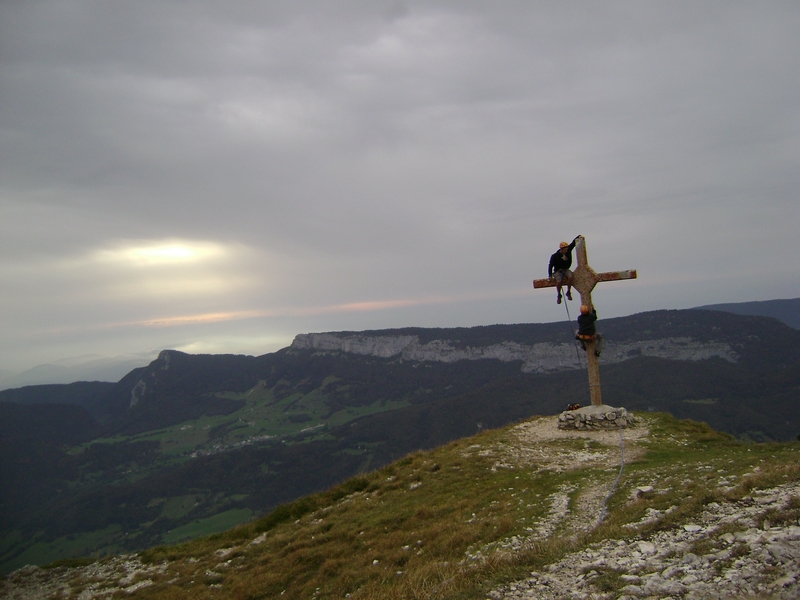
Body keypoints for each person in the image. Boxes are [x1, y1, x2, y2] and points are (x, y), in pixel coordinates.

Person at [548, 235, 581, 304]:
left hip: (566, 269)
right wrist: (550, 275)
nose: (566, 250)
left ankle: (568, 292)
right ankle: (559, 295)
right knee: (559, 281)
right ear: (561, 249)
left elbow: (573, 243)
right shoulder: (555, 256)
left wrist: (578, 237)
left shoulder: (568, 251)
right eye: (565, 249)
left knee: (570, 276)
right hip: (558, 271)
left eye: (567, 249)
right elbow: (550, 266)